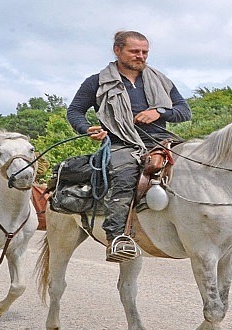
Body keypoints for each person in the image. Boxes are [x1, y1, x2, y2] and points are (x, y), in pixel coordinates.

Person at [67, 31, 192, 262]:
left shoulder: (160, 80)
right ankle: (116, 237)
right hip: (120, 141)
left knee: (200, 163)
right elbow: (74, 111)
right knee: (124, 174)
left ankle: (228, 224)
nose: (141, 56)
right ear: (117, 50)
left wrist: (159, 112)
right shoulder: (96, 82)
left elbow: (184, 111)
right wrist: (87, 129)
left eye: (144, 52)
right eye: (135, 51)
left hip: (161, 139)